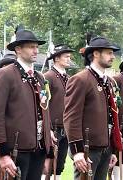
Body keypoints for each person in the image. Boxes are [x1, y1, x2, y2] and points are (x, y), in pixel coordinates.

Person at [0, 29, 55, 180]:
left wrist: (48, 147)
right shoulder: (5, 74)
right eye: (31, 47)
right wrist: (2, 154)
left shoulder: (39, 78)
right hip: (15, 152)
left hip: (38, 150)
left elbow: (44, 111)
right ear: (18, 49)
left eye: (37, 47)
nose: (36, 51)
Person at [63, 36, 122, 180]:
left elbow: (111, 117)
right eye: (108, 53)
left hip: (105, 148)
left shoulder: (107, 82)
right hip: (87, 150)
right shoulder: (80, 79)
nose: (112, 56)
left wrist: (112, 149)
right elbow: (71, 117)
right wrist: (77, 151)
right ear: (96, 54)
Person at [42, 44, 74, 180]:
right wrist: (47, 129)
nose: (69, 59)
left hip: (65, 129)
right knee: (47, 166)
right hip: (53, 129)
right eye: (66, 56)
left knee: (59, 166)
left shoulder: (69, 78)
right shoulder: (47, 77)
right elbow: (43, 105)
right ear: (56, 58)